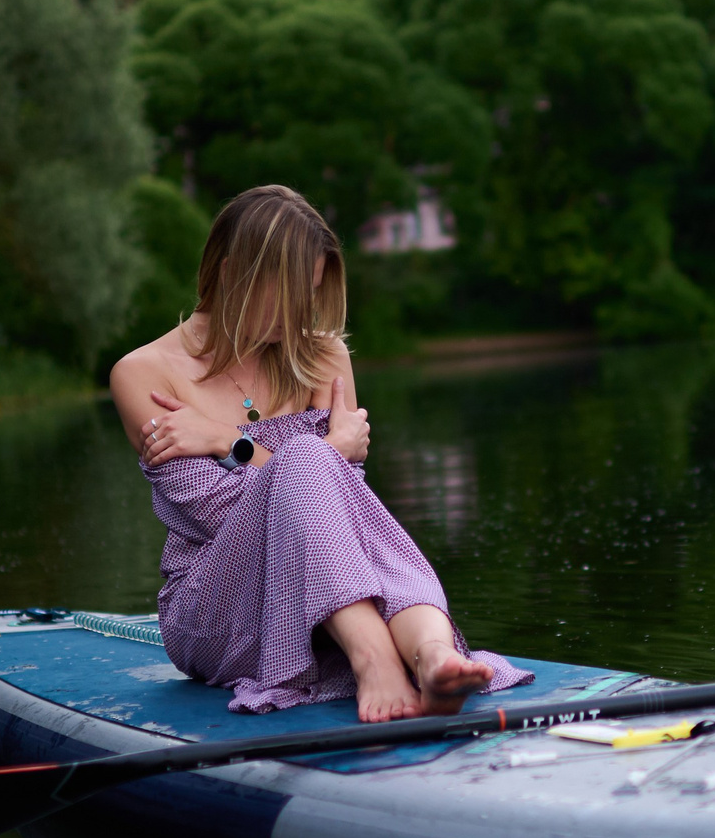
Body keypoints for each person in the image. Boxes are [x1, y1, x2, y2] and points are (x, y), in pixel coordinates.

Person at [108, 185, 531, 721]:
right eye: (290, 293)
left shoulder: (321, 354)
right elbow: (216, 510)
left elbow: (348, 512)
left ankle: (434, 657)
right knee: (310, 460)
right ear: (235, 272)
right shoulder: (144, 373)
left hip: (324, 590)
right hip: (217, 609)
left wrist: (225, 441)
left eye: (310, 292)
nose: (303, 311)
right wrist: (324, 451)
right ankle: (375, 660)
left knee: (359, 523)